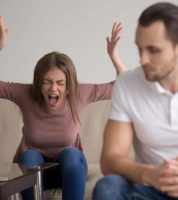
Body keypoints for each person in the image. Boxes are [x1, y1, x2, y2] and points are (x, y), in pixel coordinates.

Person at [0, 15, 127, 200]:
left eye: (60, 83)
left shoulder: (80, 93)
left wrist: (114, 56)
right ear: (38, 82)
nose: (53, 88)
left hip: (71, 172)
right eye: (47, 82)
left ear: (69, 85)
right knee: (29, 157)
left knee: (70, 153)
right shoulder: (25, 93)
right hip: (35, 175)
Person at [93, 2, 178, 200]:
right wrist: (151, 174)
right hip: (149, 189)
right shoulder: (127, 84)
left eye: (153, 50)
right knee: (108, 187)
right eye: (140, 49)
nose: (142, 60)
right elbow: (110, 159)